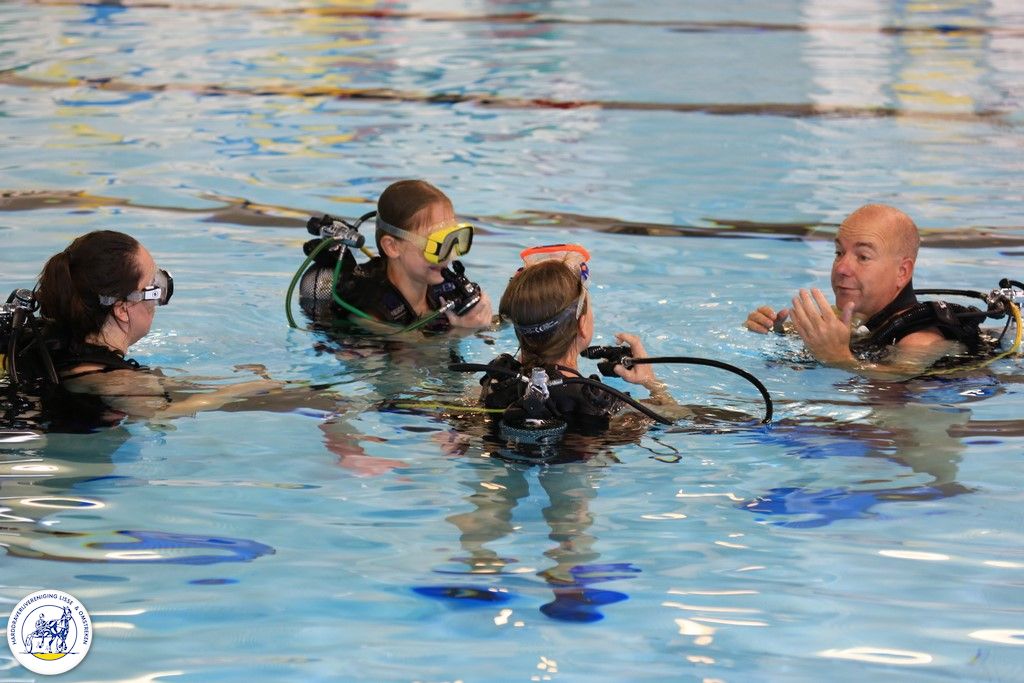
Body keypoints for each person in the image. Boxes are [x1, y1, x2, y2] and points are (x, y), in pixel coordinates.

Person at [4, 230, 280, 422]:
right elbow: (161, 412)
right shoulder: (109, 378)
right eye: (153, 287)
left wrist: (227, 380)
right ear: (122, 309)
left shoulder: (45, 337)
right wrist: (243, 389)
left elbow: (153, 386)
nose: (158, 298)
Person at [744, 204, 982, 379]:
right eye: (839, 253)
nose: (842, 268)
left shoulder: (920, 341)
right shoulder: (850, 317)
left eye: (863, 257)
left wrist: (838, 359)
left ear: (902, 272)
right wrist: (775, 331)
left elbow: (897, 385)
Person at [479, 245, 676, 428]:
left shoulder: (494, 390)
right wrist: (651, 382)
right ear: (582, 325)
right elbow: (681, 419)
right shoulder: (605, 408)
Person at [319, 179, 493, 334]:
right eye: (437, 244)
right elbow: (407, 353)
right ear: (392, 247)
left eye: (452, 239)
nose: (448, 255)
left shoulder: (444, 288)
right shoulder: (370, 312)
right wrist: (460, 332)